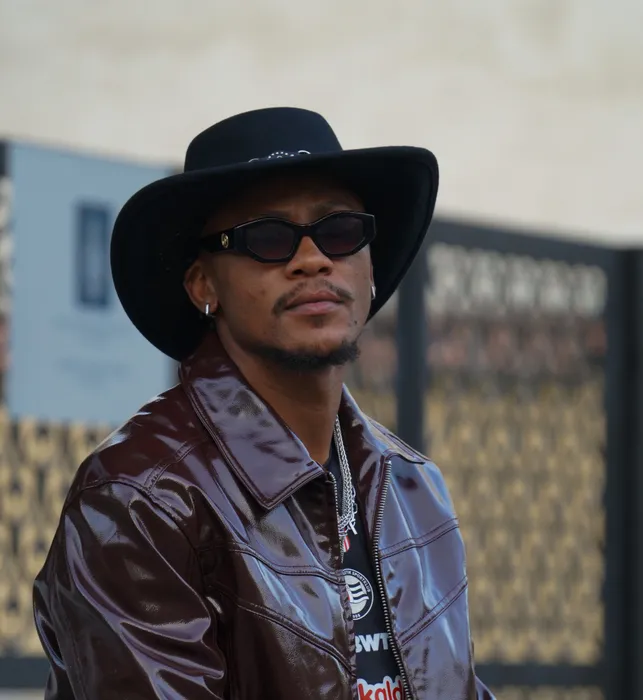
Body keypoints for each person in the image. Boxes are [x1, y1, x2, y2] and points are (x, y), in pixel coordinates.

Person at [33, 107, 494, 699]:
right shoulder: (141, 497)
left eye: (340, 231)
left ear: (370, 268)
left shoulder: (414, 486)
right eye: (269, 238)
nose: (313, 258)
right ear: (204, 285)